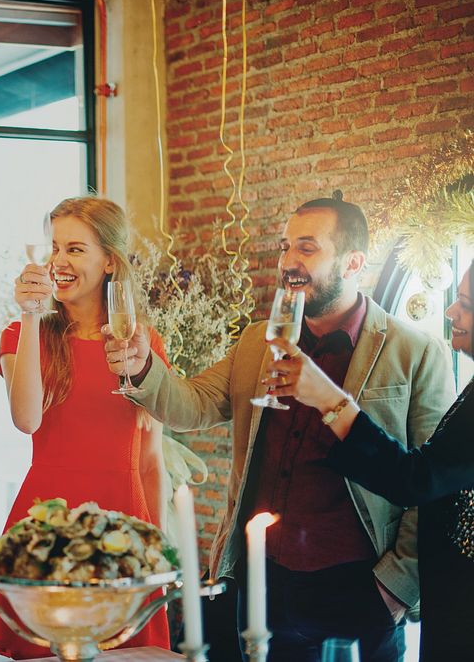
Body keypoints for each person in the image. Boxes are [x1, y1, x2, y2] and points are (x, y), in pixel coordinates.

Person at [103, 192, 455, 661]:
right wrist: (146, 368)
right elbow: (195, 404)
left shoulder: (418, 353)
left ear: (353, 262)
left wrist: (395, 587)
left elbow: (432, 487)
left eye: (306, 248)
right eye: (285, 247)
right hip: (258, 581)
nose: (288, 261)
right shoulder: (257, 340)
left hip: (358, 587)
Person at [0, 196, 171, 659]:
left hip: (124, 525)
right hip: (45, 523)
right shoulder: (21, 334)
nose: (59, 261)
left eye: (75, 249)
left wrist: (159, 555)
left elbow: (151, 459)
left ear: (110, 260)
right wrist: (30, 314)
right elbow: (26, 419)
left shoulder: (143, 343)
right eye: (54, 247)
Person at [265, 259, 473, 661]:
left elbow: (416, 478)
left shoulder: (418, 350)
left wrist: (330, 399)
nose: (451, 311)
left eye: (464, 302)